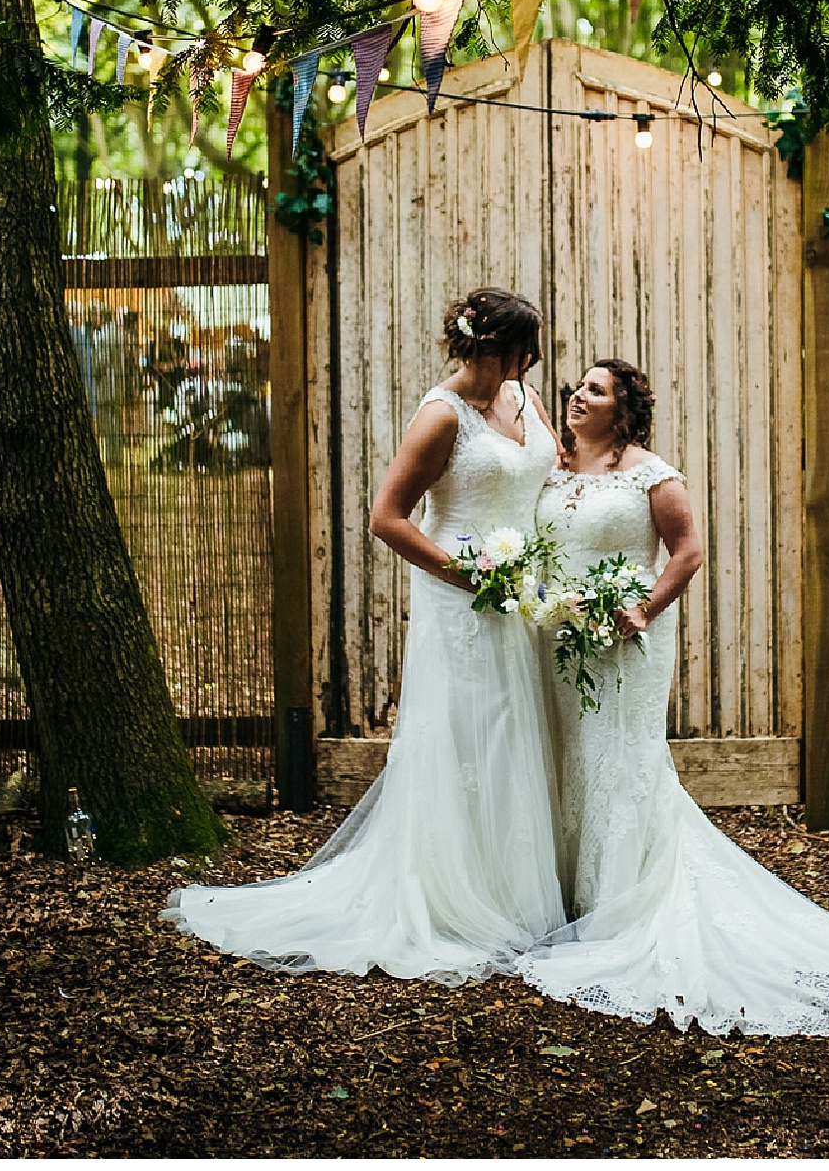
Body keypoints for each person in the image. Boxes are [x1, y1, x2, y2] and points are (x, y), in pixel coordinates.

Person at [516, 359, 829, 1035]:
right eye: (578, 386)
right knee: (564, 755)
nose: (577, 396)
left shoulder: (655, 476)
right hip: (554, 641)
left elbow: (686, 553)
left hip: (619, 644)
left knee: (616, 763)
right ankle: (560, 896)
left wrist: (641, 612)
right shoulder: (554, 469)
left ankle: (614, 906)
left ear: (621, 410)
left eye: (594, 390)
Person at [163, 288, 567, 981]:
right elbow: (388, 518)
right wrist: (471, 576)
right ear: (496, 347)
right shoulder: (441, 417)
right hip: (464, 603)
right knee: (476, 737)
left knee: (522, 733)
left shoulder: (521, 401)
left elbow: (546, 480)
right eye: (524, 352)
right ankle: (465, 895)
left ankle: (527, 885)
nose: (531, 365)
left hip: (526, 597)